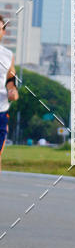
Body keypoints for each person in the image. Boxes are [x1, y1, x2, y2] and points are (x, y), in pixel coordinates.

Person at [0, 15, 19, 172]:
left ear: (3, 32)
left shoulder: (8, 55)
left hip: (1, 110)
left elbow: (10, 80)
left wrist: (13, 91)